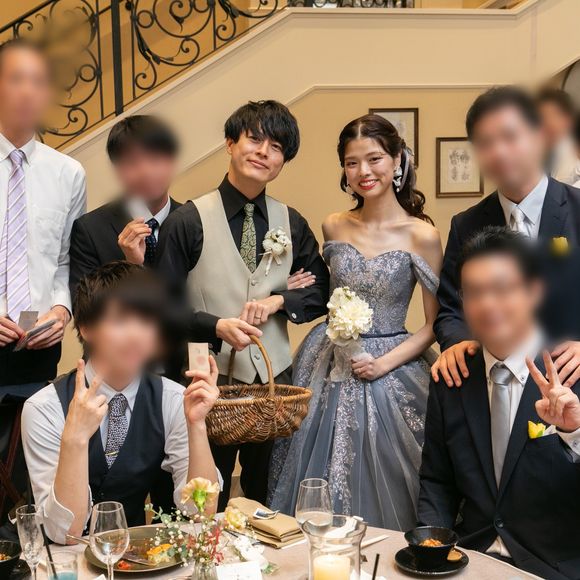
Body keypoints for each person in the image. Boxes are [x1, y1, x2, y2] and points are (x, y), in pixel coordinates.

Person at [269, 114, 442, 530]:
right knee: (310, 463)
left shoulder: (422, 235)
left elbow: (434, 324)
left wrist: (383, 364)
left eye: (374, 158)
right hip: (327, 359)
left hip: (392, 364)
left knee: (393, 470)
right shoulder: (334, 224)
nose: (364, 171)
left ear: (398, 160)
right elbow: (318, 288)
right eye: (351, 162)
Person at [156, 100, 329, 510]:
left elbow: (321, 288)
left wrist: (280, 299)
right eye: (254, 139)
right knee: (203, 495)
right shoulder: (188, 220)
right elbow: (158, 306)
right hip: (206, 377)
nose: (264, 152)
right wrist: (215, 325)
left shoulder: (292, 222)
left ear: (283, 161)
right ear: (230, 143)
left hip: (273, 380)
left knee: (268, 497)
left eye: (277, 147)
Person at [419, 227, 580, 580]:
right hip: (469, 560)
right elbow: (436, 482)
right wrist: (432, 554)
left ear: (534, 292)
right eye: (474, 292)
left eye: (502, 289)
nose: (487, 304)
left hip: (551, 567)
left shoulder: (572, 371)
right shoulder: (453, 376)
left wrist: (574, 433)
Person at [21, 262, 221, 544]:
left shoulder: (173, 398)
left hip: (133, 554)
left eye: (147, 322)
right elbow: (65, 534)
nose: (136, 335)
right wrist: (75, 440)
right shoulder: (44, 408)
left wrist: (197, 425)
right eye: (120, 320)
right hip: (61, 559)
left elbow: (201, 513)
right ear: (86, 327)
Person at [433, 86, 580, 389]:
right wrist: (457, 343)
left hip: (570, 377)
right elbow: (450, 308)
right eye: (485, 143)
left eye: (510, 137)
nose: (498, 152)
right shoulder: (466, 224)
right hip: (494, 382)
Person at [0, 38, 86, 394]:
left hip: (38, 347)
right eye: (16, 79)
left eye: (38, 82)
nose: (27, 92)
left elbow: (65, 260)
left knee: (32, 429)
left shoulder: (68, 173)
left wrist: (62, 310)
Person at [69, 115, 183, 296]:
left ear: (171, 163)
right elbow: (84, 307)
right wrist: (131, 266)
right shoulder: (89, 230)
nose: (145, 172)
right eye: (132, 162)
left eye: (154, 159)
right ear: (117, 170)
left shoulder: (193, 221)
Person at [537, 87, 580, 186]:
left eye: (551, 116)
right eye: (541, 117)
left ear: (568, 118)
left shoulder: (574, 153)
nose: (546, 122)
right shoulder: (543, 151)